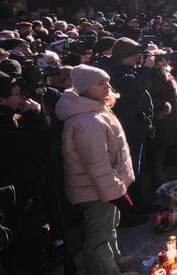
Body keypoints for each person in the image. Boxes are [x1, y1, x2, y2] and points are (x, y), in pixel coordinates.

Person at [55, 65, 137, 275]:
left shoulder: (94, 109)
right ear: (86, 89)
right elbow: (97, 165)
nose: (108, 86)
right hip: (95, 190)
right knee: (98, 236)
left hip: (105, 186)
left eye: (107, 81)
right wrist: (115, 192)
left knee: (109, 225)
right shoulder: (87, 121)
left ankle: (115, 260)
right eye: (100, 83)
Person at [0, 72, 49, 274]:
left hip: (18, 195)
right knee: (24, 254)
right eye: (17, 93)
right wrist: (33, 117)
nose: (21, 98)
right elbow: (32, 147)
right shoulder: (4, 125)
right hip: (15, 199)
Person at [108, 37, 155, 221]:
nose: (138, 58)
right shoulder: (116, 73)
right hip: (130, 128)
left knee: (139, 169)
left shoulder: (129, 69)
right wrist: (146, 69)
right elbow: (134, 91)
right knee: (129, 170)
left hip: (139, 126)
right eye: (135, 55)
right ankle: (130, 211)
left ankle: (140, 203)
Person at [147, 53, 177, 190]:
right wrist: (163, 106)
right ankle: (158, 181)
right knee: (158, 149)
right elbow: (148, 95)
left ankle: (164, 174)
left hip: (170, 116)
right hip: (162, 117)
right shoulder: (154, 76)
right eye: (164, 59)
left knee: (165, 146)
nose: (167, 61)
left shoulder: (163, 73)